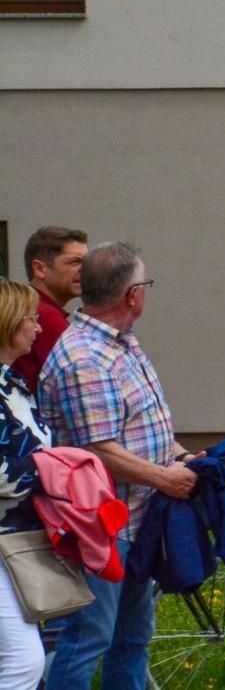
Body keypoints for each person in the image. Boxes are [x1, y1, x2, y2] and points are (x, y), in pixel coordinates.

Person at [37, 242, 199, 690]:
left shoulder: (121, 344)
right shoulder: (85, 358)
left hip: (136, 522)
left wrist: (180, 455)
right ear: (132, 294)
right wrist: (166, 477)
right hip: (101, 529)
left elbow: (141, 426)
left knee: (132, 639)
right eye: (145, 284)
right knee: (89, 638)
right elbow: (99, 451)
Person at [0, 280, 51, 690]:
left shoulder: (13, 384)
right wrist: (53, 471)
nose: (37, 328)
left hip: (17, 541)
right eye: (31, 319)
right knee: (25, 661)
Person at [17, 225, 88, 393]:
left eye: (87, 262)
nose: (85, 269)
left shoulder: (27, 307)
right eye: (75, 262)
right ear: (40, 269)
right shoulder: (42, 314)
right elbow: (79, 382)